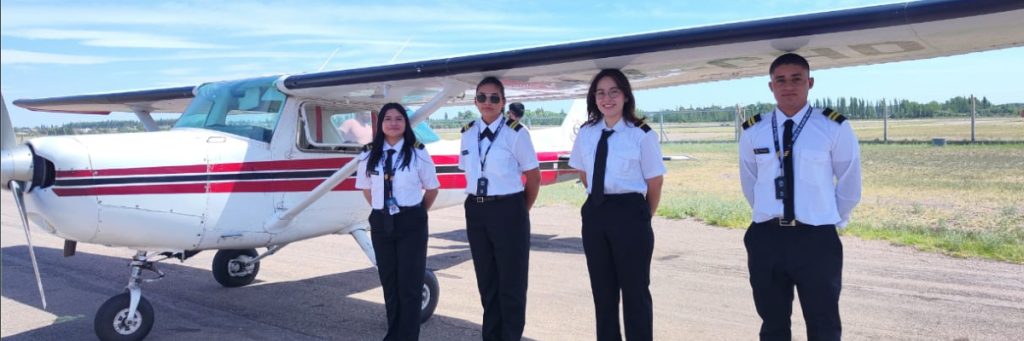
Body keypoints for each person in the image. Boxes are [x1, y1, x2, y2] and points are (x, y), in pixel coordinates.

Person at [738, 53, 862, 341]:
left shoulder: (833, 127)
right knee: (773, 324)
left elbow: (849, 183)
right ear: (771, 87)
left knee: (824, 324)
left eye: (796, 79)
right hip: (766, 239)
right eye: (780, 80)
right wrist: (768, 214)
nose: (788, 86)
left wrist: (828, 218)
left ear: (810, 83)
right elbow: (750, 183)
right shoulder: (753, 130)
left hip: (816, 240)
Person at [568, 69, 665, 341]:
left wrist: (643, 216)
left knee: (635, 293)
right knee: (603, 293)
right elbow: (584, 172)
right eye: (600, 93)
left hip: (631, 213)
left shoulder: (641, 134)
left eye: (613, 92)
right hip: (596, 212)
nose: (607, 98)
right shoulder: (587, 133)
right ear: (594, 98)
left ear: (625, 96)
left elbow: (655, 182)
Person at [458, 76, 540, 340]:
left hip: (509, 209)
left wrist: (518, 211)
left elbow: (533, 177)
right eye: (482, 97)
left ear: (503, 102)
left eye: (494, 98)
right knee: (487, 282)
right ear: (475, 101)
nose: (488, 102)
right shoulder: (468, 133)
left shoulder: (516, 133)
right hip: (476, 210)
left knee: (512, 285)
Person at [356, 103, 440, 341]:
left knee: (410, 285)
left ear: (405, 123)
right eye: (388, 118)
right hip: (382, 222)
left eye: (399, 119)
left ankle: (409, 336)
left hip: (411, 221)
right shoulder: (369, 152)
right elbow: (366, 188)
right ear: (380, 124)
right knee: (390, 283)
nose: (393, 123)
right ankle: (393, 335)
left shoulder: (418, 151)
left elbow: (432, 189)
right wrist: (382, 209)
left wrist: (415, 214)